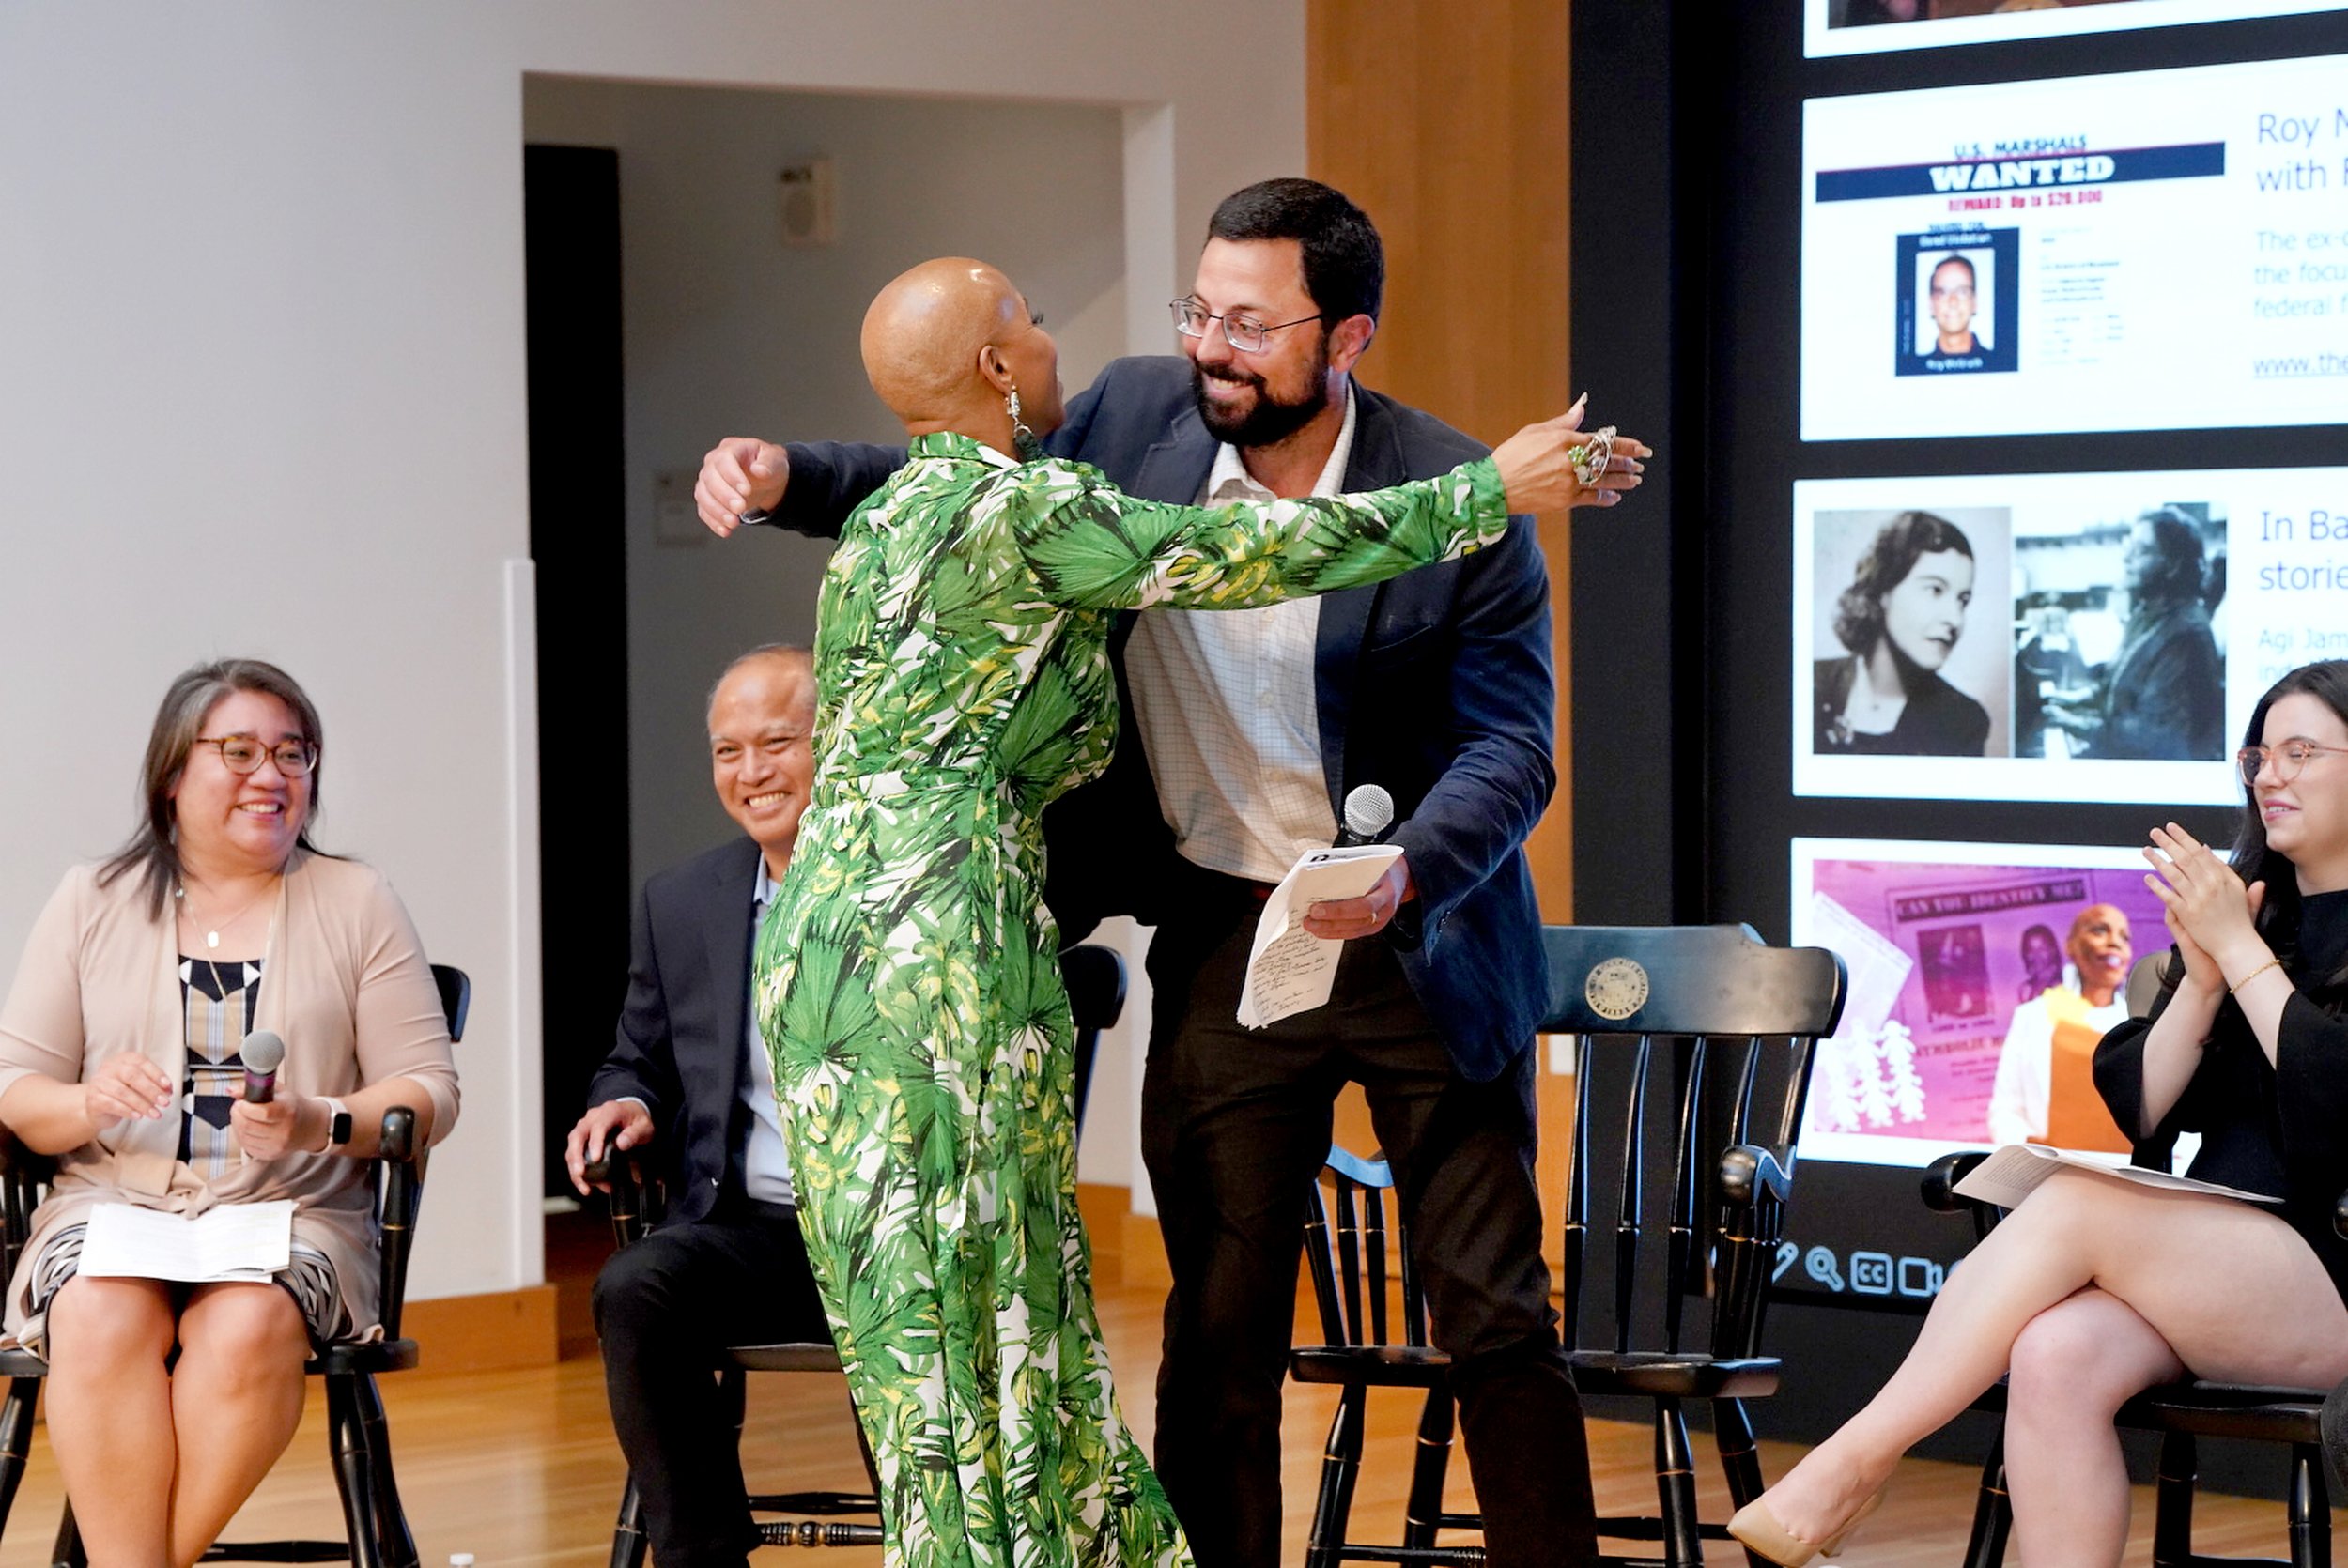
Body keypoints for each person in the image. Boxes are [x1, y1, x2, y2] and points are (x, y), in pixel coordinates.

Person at [697, 177, 1640, 1568]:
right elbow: (953, 471)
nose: (1212, 344)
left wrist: (1408, 870)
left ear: (1349, 334)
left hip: (1413, 939)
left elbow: (1512, 744)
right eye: (1201, 309)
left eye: (1252, 323)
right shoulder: (1134, 425)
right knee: (1217, 1319)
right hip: (1214, 925)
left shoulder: (1445, 484)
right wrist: (791, 474)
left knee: (1496, 1314)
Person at [1731, 658, 2348, 1568]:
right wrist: (2205, 978)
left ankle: (1853, 1460)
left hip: (2331, 1279)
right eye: (2259, 753)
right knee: (2053, 1351)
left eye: (2301, 750)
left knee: (2070, 1203)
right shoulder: (2253, 911)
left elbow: (2331, 1100)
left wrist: (2234, 949)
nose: (2270, 776)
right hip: (2225, 1266)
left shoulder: (2244, 924)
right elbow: (2140, 1101)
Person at [0, 658, 461, 1568]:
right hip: (112, 1206)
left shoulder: (357, 900)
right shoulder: (89, 898)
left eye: (293, 753)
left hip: (292, 1217)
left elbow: (426, 1091)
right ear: (174, 773)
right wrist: (88, 1099)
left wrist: (317, 1120)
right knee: (95, 1310)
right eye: (241, 751)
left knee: (247, 1319)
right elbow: (17, 1091)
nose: (273, 774)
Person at [564, 645, 837, 1568]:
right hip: (752, 1227)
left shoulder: (902, 888)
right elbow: (632, 1056)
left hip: (898, 1235)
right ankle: (702, 1556)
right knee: (635, 1285)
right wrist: (625, 1102)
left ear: (834, 739)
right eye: (728, 750)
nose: (752, 771)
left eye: (777, 742)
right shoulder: (681, 900)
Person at [2045, 507, 2225, 761]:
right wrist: (2072, 700)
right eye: (2128, 545)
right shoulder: (2147, 612)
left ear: (2172, 565)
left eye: (2140, 550)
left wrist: (2074, 723)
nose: (2126, 558)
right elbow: (2114, 685)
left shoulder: (2186, 635)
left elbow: (2150, 737)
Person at [1815, 510, 1991, 757]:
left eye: (1962, 600)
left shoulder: (1963, 722)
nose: (1955, 618)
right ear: (1883, 589)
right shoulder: (1810, 683)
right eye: (1935, 590)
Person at [1985, 905, 2133, 1148]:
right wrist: (2034, 1150)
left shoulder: (2140, 1024)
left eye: (2124, 937)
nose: (2115, 942)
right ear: (2071, 945)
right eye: (2100, 930)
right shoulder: (2032, 1017)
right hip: (2051, 1176)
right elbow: (2004, 1111)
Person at [2016, 923, 2064, 1004]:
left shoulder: (2066, 983)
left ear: (2053, 950)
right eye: (2030, 950)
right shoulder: (2025, 990)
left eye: (2042, 949)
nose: (2036, 956)